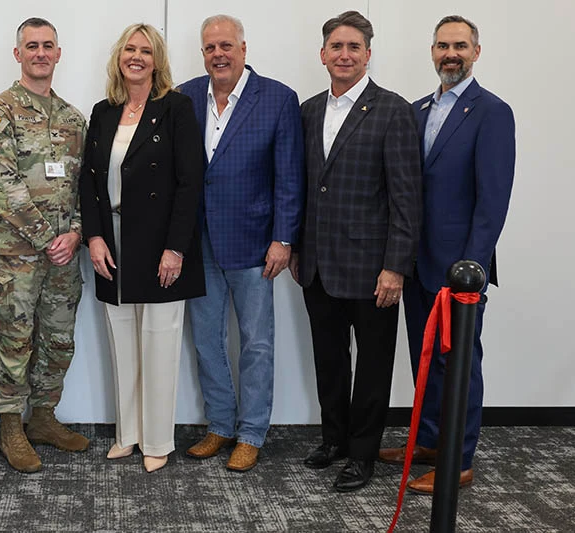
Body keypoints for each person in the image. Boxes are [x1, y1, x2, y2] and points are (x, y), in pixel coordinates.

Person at [378, 15, 515, 494]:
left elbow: (492, 199)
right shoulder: (416, 110)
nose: (449, 53)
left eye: (459, 45)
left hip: (459, 271)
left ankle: (458, 461)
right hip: (415, 263)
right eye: (442, 46)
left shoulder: (491, 112)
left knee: (458, 364)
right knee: (424, 358)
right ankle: (433, 441)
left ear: (476, 51)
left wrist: (471, 270)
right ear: (432, 52)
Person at [290, 11, 421, 492]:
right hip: (318, 265)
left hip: (373, 270)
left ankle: (362, 453)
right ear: (322, 54)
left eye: (354, 47)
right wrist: (299, 247)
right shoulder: (306, 111)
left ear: (367, 54)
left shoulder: (393, 110)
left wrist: (396, 267)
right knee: (328, 358)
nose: (344, 55)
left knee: (372, 365)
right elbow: (302, 188)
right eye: (336, 47)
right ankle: (334, 440)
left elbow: (407, 198)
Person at [177, 14, 304, 472]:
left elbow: (289, 176)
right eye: (210, 47)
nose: (218, 54)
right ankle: (220, 426)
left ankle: (251, 433)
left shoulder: (277, 98)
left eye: (226, 46)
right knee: (207, 339)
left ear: (244, 49)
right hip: (198, 242)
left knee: (256, 343)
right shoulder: (185, 96)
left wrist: (283, 238)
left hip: (254, 243)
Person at [81, 23, 205, 473]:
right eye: (130, 49)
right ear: (119, 57)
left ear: (157, 61)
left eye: (146, 51)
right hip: (111, 241)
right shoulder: (104, 111)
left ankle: (157, 440)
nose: (137, 57)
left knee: (159, 342)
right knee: (122, 343)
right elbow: (90, 182)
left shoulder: (176, 108)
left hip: (160, 245)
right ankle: (127, 435)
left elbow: (190, 183)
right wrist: (93, 236)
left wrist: (176, 249)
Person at [0, 17, 88, 474]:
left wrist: (76, 233)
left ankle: (43, 418)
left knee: (58, 340)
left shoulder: (73, 118)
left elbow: (85, 187)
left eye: (48, 46)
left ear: (59, 53)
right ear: (17, 54)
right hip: (16, 257)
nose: (40, 53)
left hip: (64, 255)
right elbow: (3, 187)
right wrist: (48, 239)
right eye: (31, 46)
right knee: (15, 340)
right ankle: (10, 430)